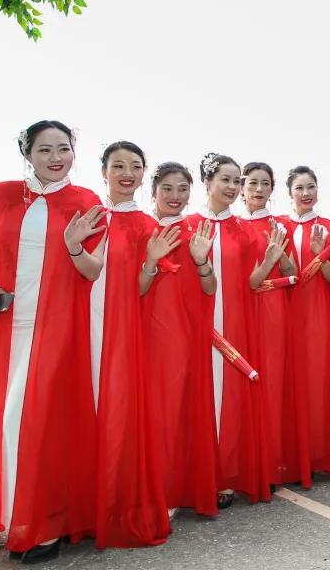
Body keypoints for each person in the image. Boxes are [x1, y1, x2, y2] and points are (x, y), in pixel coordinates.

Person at [0, 121, 101, 561]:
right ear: (27, 153)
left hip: (56, 326)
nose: (56, 157)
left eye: (64, 149)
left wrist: (74, 247)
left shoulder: (85, 202)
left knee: (34, 421)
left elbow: (93, 270)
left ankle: (43, 524)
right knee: (3, 422)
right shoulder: (2, 194)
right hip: (4, 325)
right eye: (45, 150)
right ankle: (10, 517)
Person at [88, 141, 170, 548]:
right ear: (102, 171)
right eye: (117, 165)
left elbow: (142, 290)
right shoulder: (86, 215)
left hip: (121, 332)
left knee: (117, 415)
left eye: (135, 166)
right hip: (77, 327)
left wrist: (151, 263)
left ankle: (113, 505)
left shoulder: (145, 226)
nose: (127, 172)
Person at [188, 153, 272, 507]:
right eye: (225, 179)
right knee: (196, 396)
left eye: (237, 181)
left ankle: (223, 475)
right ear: (207, 182)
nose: (233, 187)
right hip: (196, 322)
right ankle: (192, 475)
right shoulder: (186, 224)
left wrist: (267, 262)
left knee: (229, 399)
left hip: (235, 320)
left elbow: (250, 282)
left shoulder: (243, 229)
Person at [144, 162, 219, 518]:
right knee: (143, 412)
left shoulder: (196, 231)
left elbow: (209, 288)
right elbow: (132, 288)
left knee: (174, 409)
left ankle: (171, 487)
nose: (175, 197)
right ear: (154, 191)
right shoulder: (141, 229)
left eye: (183, 189)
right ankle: (141, 488)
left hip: (182, 334)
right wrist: (150, 261)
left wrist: (202, 260)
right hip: (141, 331)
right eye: (167, 189)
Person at [240, 162, 309, 487]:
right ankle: (242, 462)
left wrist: (279, 255)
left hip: (273, 310)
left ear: (272, 189)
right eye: (252, 183)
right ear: (242, 187)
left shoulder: (281, 225)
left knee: (272, 384)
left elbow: (294, 270)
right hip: (241, 310)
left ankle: (272, 463)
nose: (258, 189)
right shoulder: (234, 224)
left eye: (264, 184)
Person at [279, 166, 330, 480]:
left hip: (318, 313)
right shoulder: (279, 225)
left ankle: (319, 455)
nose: (305, 194)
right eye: (299, 188)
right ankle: (289, 457)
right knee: (289, 383)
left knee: (318, 382)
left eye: (311, 187)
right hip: (286, 311)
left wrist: (321, 255)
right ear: (290, 193)